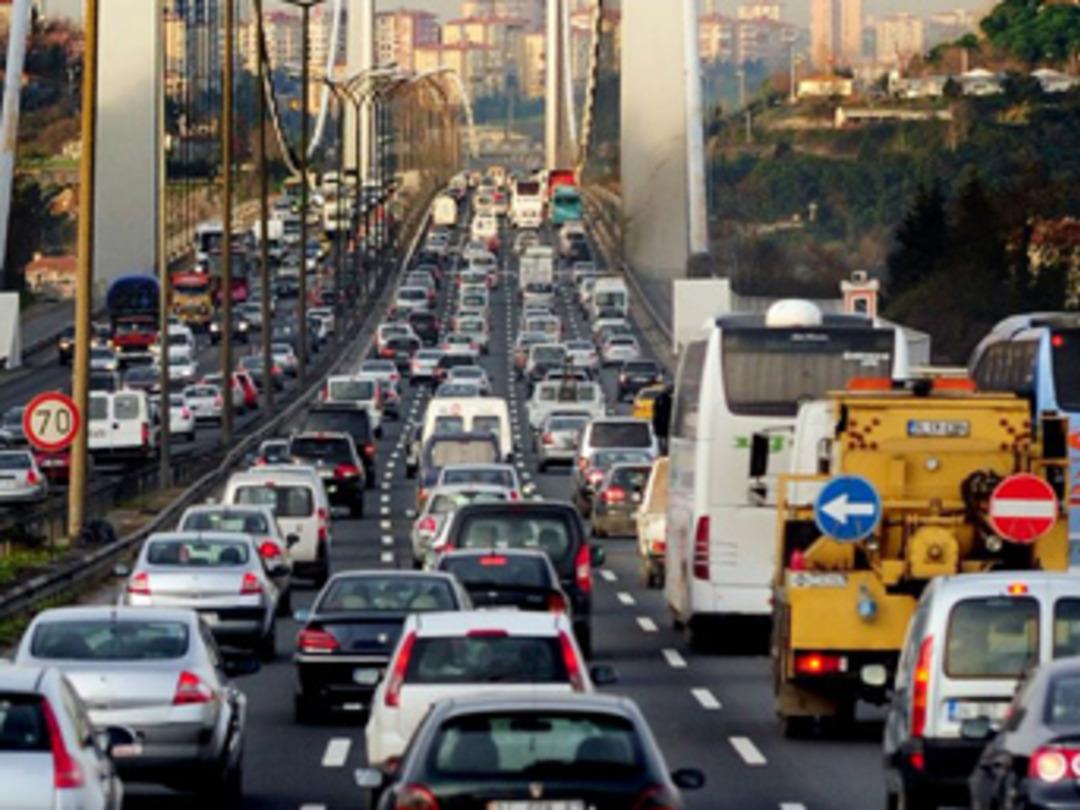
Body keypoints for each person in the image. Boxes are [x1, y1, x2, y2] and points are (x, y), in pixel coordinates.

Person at [652, 384, 673, 455]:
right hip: (664, 423)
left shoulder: (658, 398)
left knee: (661, 439)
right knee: (663, 439)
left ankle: (662, 451)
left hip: (660, 423)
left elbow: (655, 412)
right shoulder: (668, 399)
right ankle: (663, 451)